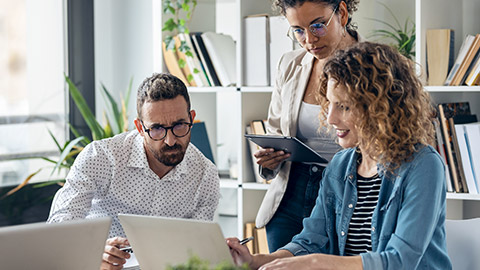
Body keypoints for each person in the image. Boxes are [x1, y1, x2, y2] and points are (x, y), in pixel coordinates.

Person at [228, 42, 452, 269]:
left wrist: (315, 262)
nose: (330, 118)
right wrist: (254, 261)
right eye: (330, 104)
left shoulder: (423, 165)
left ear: (379, 107)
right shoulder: (341, 165)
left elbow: (400, 260)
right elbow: (310, 242)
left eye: (344, 106)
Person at [47, 73, 220, 269]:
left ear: (192, 118)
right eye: (157, 129)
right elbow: (59, 225)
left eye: (179, 125)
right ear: (139, 127)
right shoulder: (101, 157)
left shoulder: (205, 175)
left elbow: (196, 252)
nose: (170, 141)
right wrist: (92, 250)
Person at [255, 0, 362, 252]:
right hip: (291, 193)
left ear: (342, 13)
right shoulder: (290, 64)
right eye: (298, 30)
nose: (308, 40)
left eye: (317, 25)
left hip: (347, 192)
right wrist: (270, 158)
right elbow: (276, 130)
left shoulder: (376, 65)